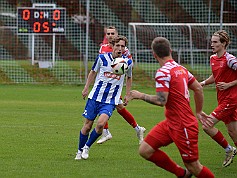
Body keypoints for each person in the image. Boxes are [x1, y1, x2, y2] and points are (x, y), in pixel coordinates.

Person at [127, 37, 215, 177]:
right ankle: (182, 174)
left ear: (154, 54)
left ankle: (187, 172)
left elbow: (161, 101)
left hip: (183, 125)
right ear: (170, 50)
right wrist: (198, 111)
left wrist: (140, 95)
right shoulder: (181, 69)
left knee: (194, 166)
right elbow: (198, 88)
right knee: (145, 149)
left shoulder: (163, 72)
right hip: (170, 123)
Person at [75, 35, 133, 160]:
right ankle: (79, 151)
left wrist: (128, 94)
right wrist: (86, 88)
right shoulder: (102, 58)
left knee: (101, 124)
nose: (120, 48)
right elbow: (93, 72)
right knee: (87, 126)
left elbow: (129, 77)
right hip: (95, 97)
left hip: (110, 100)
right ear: (112, 46)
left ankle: (87, 147)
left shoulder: (127, 62)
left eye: (122, 46)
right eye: (117, 45)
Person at [96, 26, 146, 145]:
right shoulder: (103, 48)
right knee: (117, 107)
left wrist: (119, 67)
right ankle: (137, 129)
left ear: (116, 34)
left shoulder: (124, 50)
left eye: (113, 33)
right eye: (108, 33)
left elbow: (129, 68)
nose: (110, 35)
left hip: (115, 85)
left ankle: (107, 132)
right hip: (103, 83)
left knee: (107, 105)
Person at [200, 30, 237, 167]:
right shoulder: (213, 58)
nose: (212, 44)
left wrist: (229, 84)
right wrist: (202, 83)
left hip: (231, 100)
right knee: (233, 132)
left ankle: (229, 150)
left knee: (207, 125)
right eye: (212, 42)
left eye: (215, 42)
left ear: (224, 43)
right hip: (222, 99)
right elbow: (216, 76)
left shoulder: (230, 60)